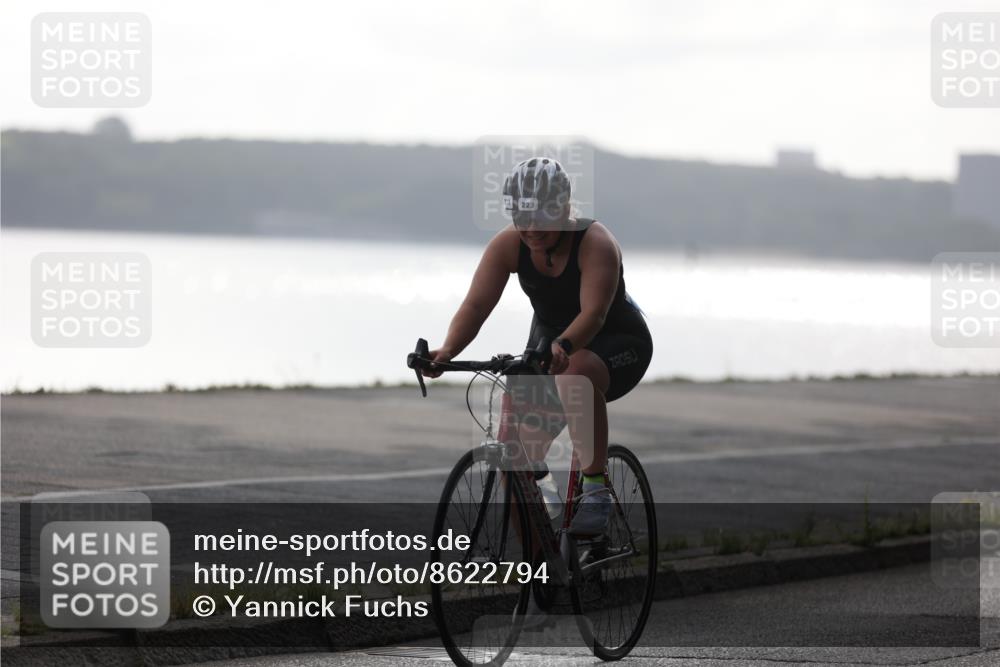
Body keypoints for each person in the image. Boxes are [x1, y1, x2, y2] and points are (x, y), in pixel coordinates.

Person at [422, 157, 653, 536]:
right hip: (549, 348)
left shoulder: (595, 243)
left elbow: (594, 315)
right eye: (520, 216)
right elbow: (476, 306)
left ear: (564, 207)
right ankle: (543, 556)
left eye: (541, 216)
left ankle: (595, 489)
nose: (530, 228)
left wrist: (563, 345)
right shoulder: (508, 244)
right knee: (515, 462)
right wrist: (447, 351)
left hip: (614, 342)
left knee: (575, 372)